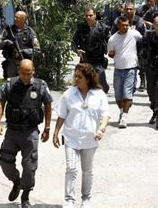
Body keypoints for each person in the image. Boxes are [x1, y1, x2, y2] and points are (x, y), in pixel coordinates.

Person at [0, 59, 53, 208]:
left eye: (29, 73)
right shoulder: (10, 84)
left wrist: (47, 128)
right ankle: (16, 181)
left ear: (33, 70)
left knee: (29, 166)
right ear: (18, 71)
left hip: (30, 132)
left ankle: (25, 195)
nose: (26, 76)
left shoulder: (41, 86)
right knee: (4, 161)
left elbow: (48, 106)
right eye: (23, 73)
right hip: (12, 131)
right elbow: (1, 102)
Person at [52, 63, 109, 208]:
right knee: (71, 168)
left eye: (80, 77)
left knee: (87, 171)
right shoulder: (69, 94)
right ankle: (69, 200)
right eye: (75, 76)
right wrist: (56, 132)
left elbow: (105, 115)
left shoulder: (99, 95)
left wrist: (101, 130)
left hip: (90, 139)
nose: (76, 79)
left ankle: (86, 199)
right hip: (71, 138)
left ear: (89, 78)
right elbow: (62, 115)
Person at [107, 16, 142, 128]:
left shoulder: (134, 34)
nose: (126, 27)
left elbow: (143, 41)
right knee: (118, 96)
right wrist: (113, 54)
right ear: (118, 25)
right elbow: (110, 53)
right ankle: (122, 111)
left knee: (127, 93)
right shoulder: (112, 39)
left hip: (131, 68)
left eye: (127, 25)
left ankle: (124, 117)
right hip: (118, 69)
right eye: (123, 25)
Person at [71, 7, 110, 93]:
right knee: (81, 84)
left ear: (95, 15)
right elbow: (73, 42)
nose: (88, 17)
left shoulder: (103, 27)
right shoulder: (81, 28)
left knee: (102, 84)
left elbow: (110, 41)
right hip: (85, 60)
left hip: (98, 61)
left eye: (90, 15)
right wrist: (77, 50)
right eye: (86, 16)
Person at [111, 2, 147, 91]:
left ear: (134, 10)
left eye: (131, 9)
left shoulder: (139, 21)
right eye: (127, 9)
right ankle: (128, 84)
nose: (129, 11)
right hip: (123, 47)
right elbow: (112, 34)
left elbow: (144, 35)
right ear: (124, 10)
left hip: (137, 47)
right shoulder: (118, 21)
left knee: (141, 64)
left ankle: (142, 80)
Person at [0, 11, 41, 79]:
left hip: (25, 64)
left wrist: (22, 52)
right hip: (11, 64)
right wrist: (6, 42)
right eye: (15, 17)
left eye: (17, 17)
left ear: (23, 19)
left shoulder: (29, 32)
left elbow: (37, 50)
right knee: (11, 86)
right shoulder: (9, 30)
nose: (15, 19)